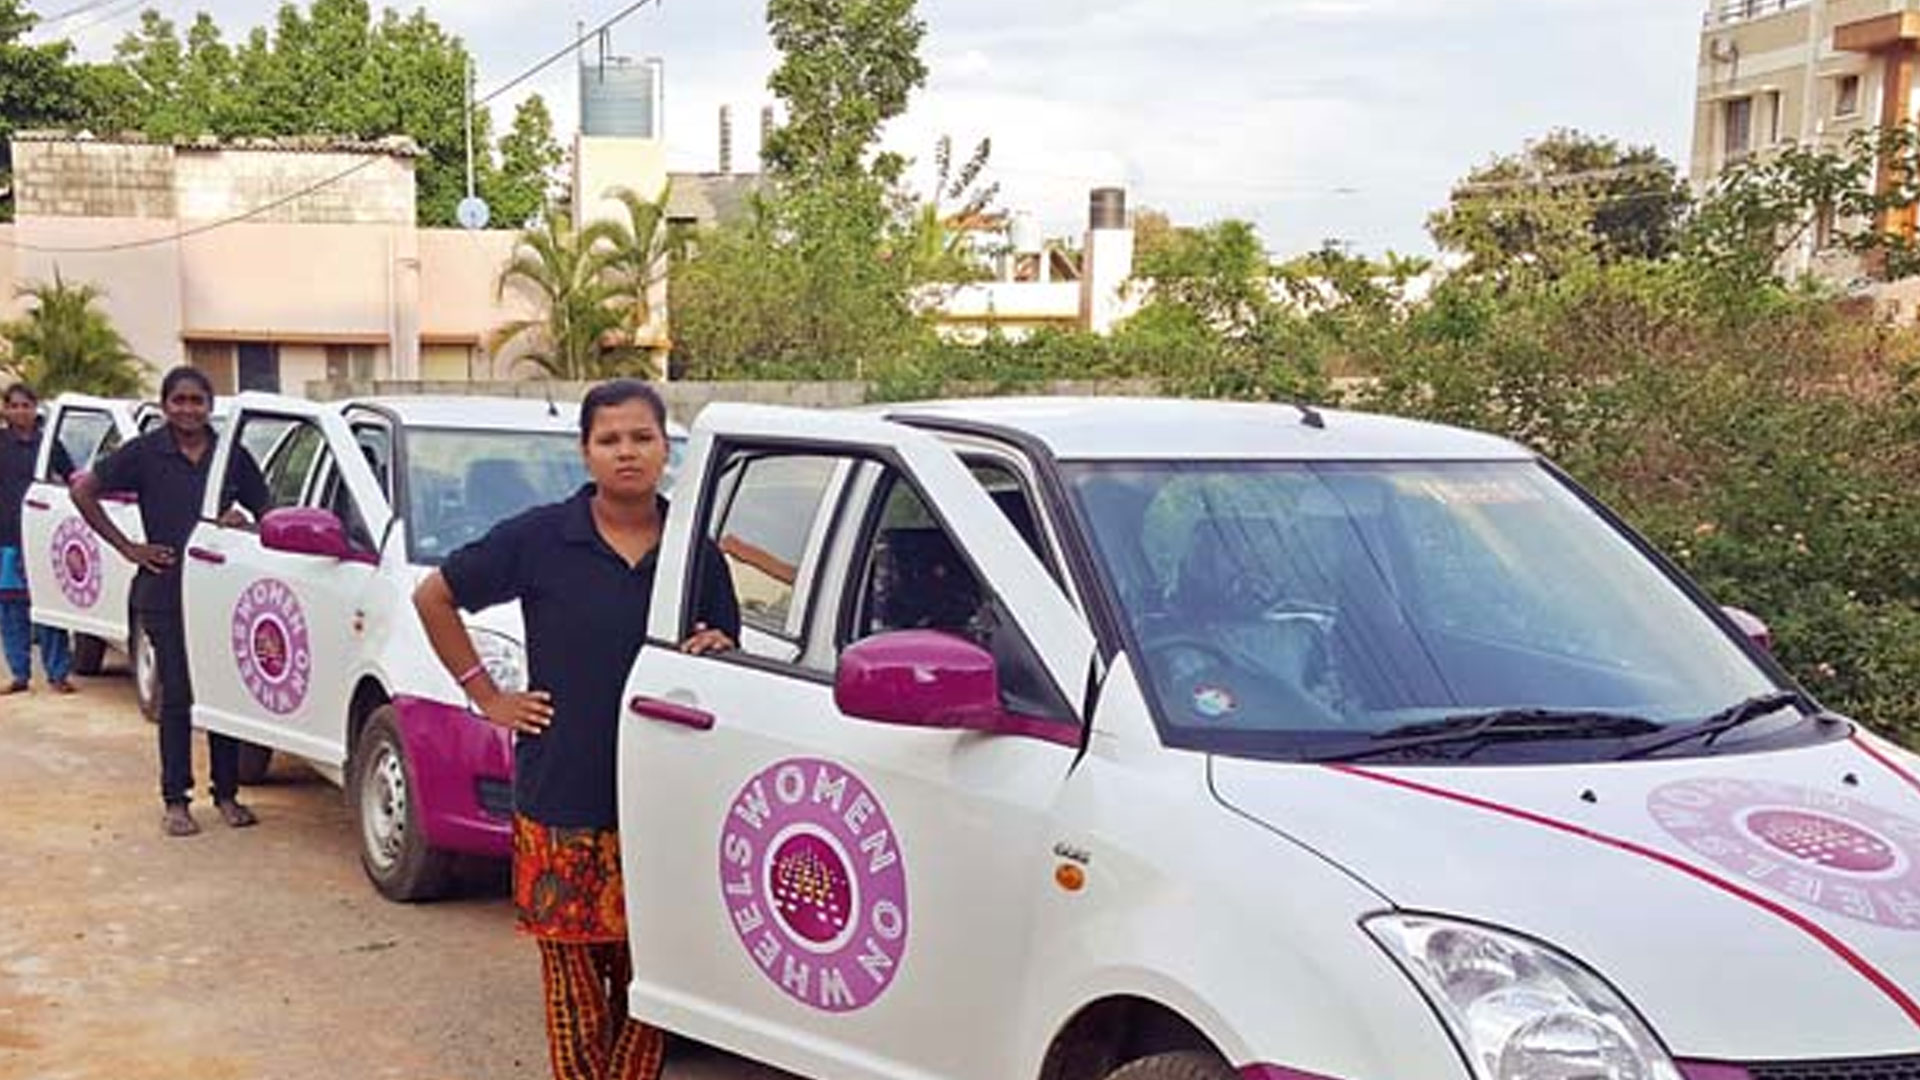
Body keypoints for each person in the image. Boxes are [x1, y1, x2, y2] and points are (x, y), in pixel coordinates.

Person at [412, 379, 739, 1080]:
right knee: (572, 976)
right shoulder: (539, 538)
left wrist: (719, 650)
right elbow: (434, 596)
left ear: (665, 449)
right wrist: (486, 695)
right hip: (562, 793)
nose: (627, 453)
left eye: (642, 438)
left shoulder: (694, 552)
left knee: (654, 979)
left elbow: (726, 656)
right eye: (610, 439)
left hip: (663, 799)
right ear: (586, 452)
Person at [72, 366, 270, 837]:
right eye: (178, 400)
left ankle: (226, 793)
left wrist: (244, 527)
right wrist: (128, 548)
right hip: (165, 591)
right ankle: (176, 800)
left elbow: (270, 515)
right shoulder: (145, 452)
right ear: (164, 405)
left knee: (224, 695)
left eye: (196, 400)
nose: (187, 409)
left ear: (210, 405)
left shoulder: (231, 455)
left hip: (221, 593)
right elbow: (83, 490)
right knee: (178, 694)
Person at [2, 383, 76, 695]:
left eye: (26, 405)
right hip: (6, 537)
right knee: (11, 609)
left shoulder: (49, 446)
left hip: (43, 538)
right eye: (14, 405)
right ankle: (19, 673)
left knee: (49, 606)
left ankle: (57, 674)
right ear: (5, 409)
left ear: (36, 408)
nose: (21, 411)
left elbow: (73, 479)